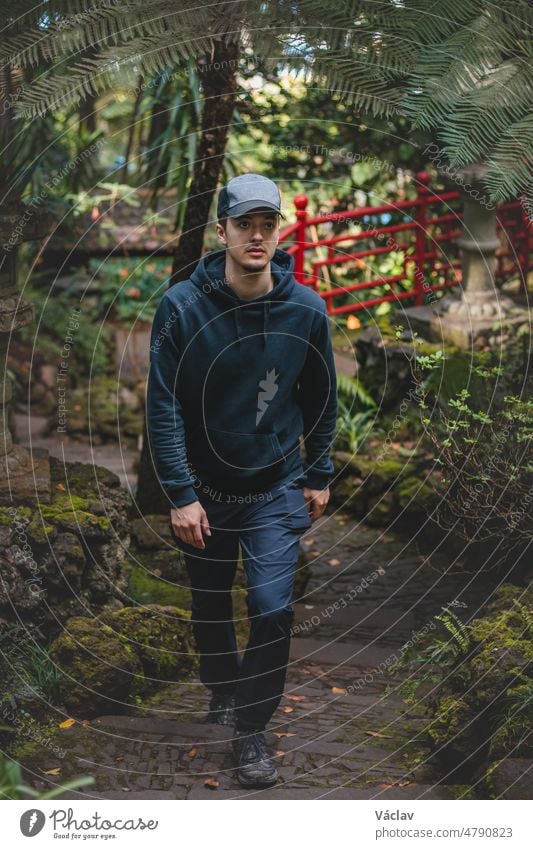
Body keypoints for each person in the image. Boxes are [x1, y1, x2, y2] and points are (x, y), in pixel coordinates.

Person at [146, 173, 338, 788]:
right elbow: (164, 404)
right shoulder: (181, 307)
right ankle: (223, 688)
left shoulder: (305, 309)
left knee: (271, 606)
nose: (256, 236)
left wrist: (320, 471)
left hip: (275, 486)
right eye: (244, 224)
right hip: (204, 487)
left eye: (267, 224)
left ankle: (252, 730)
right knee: (209, 603)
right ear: (222, 230)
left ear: (276, 231)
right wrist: (180, 493)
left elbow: (322, 398)